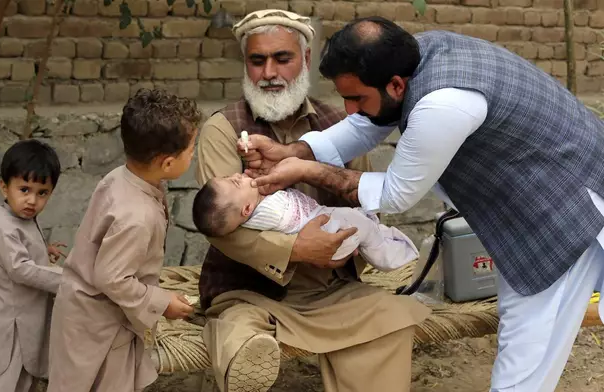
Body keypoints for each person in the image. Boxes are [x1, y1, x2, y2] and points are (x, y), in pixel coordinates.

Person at [243, 16, 604, 392]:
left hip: (563, 213)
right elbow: (368, 121)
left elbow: (396, 194)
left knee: (529, 347)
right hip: (534, 203)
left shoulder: (441, 105)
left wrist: (306, 170)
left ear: (397, 85)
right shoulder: (413, 57)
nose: (349, 109)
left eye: (356, 97)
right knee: (525, 338)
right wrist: (293, 151)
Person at [195, 9, 430, 392]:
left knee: (388, 318)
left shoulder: (344, 123)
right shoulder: (223, 129)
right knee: (239, 328)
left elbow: (364, 203)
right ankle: (245, 355)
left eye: (282, 58)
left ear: (305, 60)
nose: (269, 72)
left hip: (330, 287)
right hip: (251, 287)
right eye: (257, 61)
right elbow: (220, 229)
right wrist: (297, 248)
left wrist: (345, 241)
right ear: (246, 65)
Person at [47, 89, 199, 392]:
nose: (194, 154)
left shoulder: (121, 176)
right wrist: (161, 301)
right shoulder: (137, 215)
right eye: (191, 149)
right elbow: (111, 277)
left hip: (90, 312)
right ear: (167, 163)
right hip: (98, 323)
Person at [191, 172, 419, 272]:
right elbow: (290, 219)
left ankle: (381, 239)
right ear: (248, 209)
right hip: (328, 236)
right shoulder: (268, 211)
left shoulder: (253, 206)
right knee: (360, 225)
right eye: (236, 182)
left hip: (328, 225)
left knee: (360, 221)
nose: (239, 175)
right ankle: (394, 257)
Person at [0, 139, 65, 392]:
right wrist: (67, 278)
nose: (32, 201)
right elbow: (20, 268)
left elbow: (27, 250)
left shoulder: (24, 219)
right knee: (7, 376)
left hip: (27, 315)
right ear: (4, 188)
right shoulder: (4, 227)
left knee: (27, 374)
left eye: (42, 193)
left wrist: (44, 250)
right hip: (12, 320)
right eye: (25, 190)